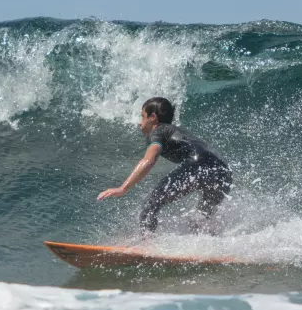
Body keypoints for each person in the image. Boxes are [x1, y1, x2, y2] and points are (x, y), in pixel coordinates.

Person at [97, 97, 232, 235]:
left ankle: (147, 246)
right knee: (201, 218)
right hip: (222, 171)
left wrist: (123, 188)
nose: (140, 123)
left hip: (198, 166)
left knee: (150, 206)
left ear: (153, 117)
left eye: (143, 116)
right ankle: (209, 245)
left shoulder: (157, 131)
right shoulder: (178, 132)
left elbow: (149, 160)